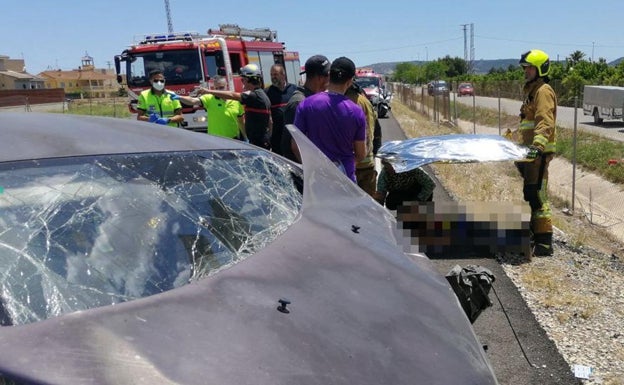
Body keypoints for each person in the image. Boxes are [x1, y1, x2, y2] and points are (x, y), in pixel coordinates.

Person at [512, 49, 557, 256]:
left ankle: (544, 244)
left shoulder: (543, 91)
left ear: (540, 68)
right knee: (530, 194)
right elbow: (527, 123)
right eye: (525, 68)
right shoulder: (532, 91)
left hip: (538, 154)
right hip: (529, 154)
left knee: (538, 197)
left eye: (529, 67)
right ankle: (533, 233)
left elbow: (544, 122)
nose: (526, 71)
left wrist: (538, 147)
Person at [293, 57, 366, 182]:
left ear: (329, 76)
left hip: (317, 179)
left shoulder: (306, 104)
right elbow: (361, 154)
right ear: (349, 81)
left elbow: (295, 145)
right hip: (345, 180)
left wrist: (311, 167)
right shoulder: (357, 111)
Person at [196, 64, 272, 149]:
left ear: (247, 79)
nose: (242, 83)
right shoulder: (262, 95)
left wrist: (208, 91)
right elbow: (270, 122)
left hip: (258, 143)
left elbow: (232, 95)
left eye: (242, 80)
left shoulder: (254, 96)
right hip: (261, 141)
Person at [283, 55, 331, 162]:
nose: (331, 79)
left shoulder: (313, 100)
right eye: (329, 75)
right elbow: (295, 147)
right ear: (319, 78)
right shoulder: (299, 103)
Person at [168, 76, 246, 140]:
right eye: (216, 88)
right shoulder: (209, 99)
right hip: (215, 140)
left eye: (221, 88)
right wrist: (180, 97)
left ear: (227, 86)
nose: (219, 91)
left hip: (234, 140)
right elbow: (192, 101)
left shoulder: (236, 101)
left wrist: (246, 138)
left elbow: (241, 122)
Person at [346, 83, 377, 196]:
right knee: (368, 205)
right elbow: (375, 127)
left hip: (355, 163)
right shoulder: (365, 101)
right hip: (367, 162)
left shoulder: (348, 103)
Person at [266, 64, 297, 155]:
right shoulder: (267, 92)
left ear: (283, 75)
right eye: (271, 75)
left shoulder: (294, 89)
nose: (273, 77)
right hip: (277, 137)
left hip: (292, 135)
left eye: (275, 74)